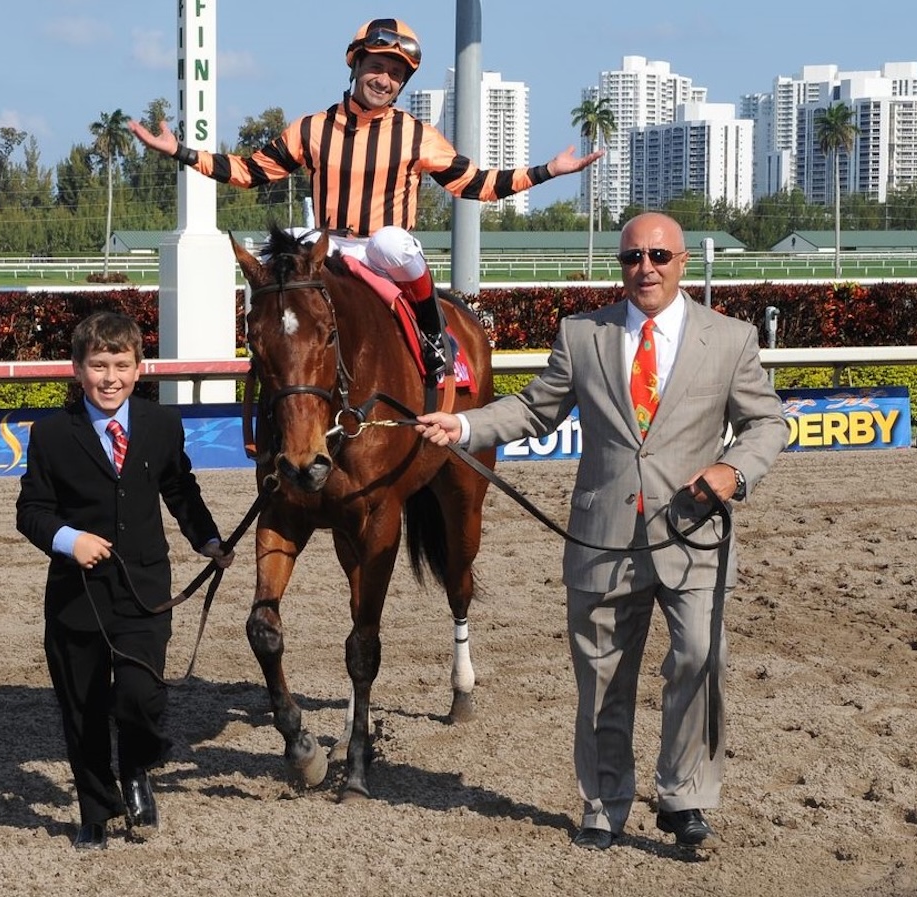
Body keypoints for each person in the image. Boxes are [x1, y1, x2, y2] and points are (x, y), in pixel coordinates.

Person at [416, 212, 789, 851]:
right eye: (632, 257)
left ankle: (683, 797)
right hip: (602, 534)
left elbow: (769, 424)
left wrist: (731, 472)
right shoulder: (581, 335)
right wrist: (467, 427)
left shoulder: (731, 340)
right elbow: (535, 409)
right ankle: (604, 801)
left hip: (694, 533)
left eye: (659, 257)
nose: (645, 268)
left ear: (681, 263)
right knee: (602, 675)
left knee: (702, 656)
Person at [128, 17, 601, 378]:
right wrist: (182, 151)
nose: (384, 79)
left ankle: (434, 337)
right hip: (328, 245)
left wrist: (548, 171)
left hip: (384, 253)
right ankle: (273, 362)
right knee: (286, 246)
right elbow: (252, 171)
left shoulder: (418, 135)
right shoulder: (312, 127)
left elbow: (475, 185)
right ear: (356, 66)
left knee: (391, 242)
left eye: (395, 73)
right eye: (376, 66)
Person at [16, 311, 234, 850]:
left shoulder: (161, 425)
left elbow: (180, 489)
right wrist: (70, 539)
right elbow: (32, 511)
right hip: (75, 598)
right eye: (97, 366)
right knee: (83, 710)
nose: (109, 377)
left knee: (140, 698)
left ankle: (136, 767)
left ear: (139, 369)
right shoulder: (50, 435)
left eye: (120, 365)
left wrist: (206, 540)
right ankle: (96, 810)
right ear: (77, 370)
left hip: (145, 591)